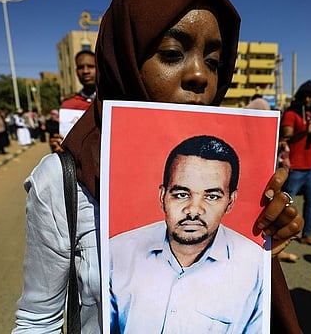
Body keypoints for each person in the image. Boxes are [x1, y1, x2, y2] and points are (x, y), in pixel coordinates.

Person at [13, 0, 304, 333]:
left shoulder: (233, 168)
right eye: (171, 53)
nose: (199, 74)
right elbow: (37, 321)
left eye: (213, 61)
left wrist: (262, 241)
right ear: (124, 56)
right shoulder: (62, 181)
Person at [110, 135, 263, 333]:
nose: (193, 210)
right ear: (162, 196)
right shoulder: (117, 252)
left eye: (212, 196)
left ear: (230, 202)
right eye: (182, 194)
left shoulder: (256, 266)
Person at [281, 80, 311, 248]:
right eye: (306, 96)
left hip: (310, 167)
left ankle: (307, 234)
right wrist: (303, 132)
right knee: (286, 204)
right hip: (295, 167)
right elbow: (286, 136)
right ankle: (278, 236)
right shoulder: (292, 114)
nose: (308, 100)